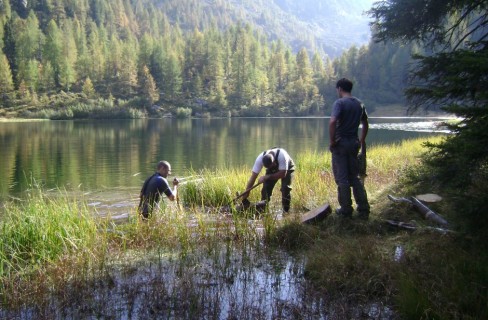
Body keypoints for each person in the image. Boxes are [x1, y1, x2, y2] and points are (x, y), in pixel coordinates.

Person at [329, 78, 370, 219]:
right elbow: (365, 124)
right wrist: (361, 140)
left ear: (340, 89)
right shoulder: (360, 104)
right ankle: (364, 209)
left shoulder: (339, 103)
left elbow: (333, 121)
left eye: (337, 90)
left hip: (341, 144)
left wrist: (332, 141)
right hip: (354, 143)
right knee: (355, 176)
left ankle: (346, 209)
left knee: (342, 178)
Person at [241, 147, 295, 213]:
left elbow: (283, 174)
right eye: (271, 166)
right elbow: (253, 178)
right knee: (265, 190)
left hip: (287, 168)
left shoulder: (282, 155)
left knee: (285, 189)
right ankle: (264, 211)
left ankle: (286, 212)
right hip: (273, 171)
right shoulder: (259, 159)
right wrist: (246, 193)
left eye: (274, 164)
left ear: (274, 160)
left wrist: (267, 177)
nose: (275, 165)